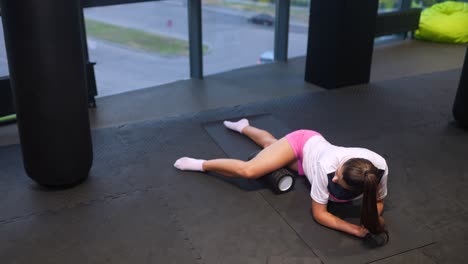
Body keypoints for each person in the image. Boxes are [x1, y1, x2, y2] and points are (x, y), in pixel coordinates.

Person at [174, 118, 389, 240]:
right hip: (304, 141)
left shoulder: (377, 169)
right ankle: (201, 164)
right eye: (338, 174)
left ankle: (244, 126)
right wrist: (354, 229)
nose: (335, 180)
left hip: (308, 163)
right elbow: (320, 214)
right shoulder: (327, 170)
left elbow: (377, 200)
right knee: (250, 171)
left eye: (339, 181)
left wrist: (370, 217)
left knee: (270, 144)